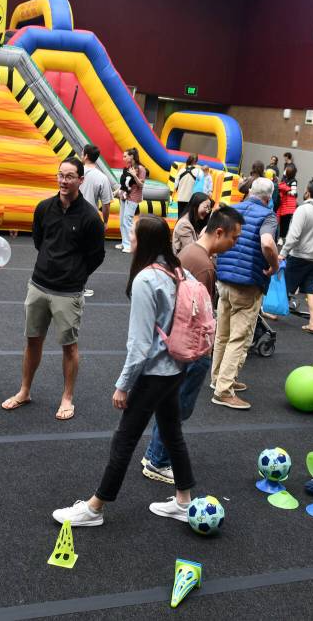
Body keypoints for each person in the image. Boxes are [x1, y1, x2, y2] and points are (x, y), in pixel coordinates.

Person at [51, 215, 197, 526]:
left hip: (156, 372)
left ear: (143, 241)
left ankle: (94, 508)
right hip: (178, 366)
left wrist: (123, 385)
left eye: (132, 234)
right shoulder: (178, 270)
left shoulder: (146, 279)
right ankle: (184, 501)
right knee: (172, 432)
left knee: (125, 438)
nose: (128, 238)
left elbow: (140, 345)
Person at [142, 206, 244, 484]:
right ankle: (157, 461)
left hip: (175, 343)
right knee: (178, 408)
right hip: (189, 348)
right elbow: (197, 315)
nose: (234, 244)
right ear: (219, 232)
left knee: (168, 404)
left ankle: (154, 453)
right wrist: (202, 354)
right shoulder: (205, 267)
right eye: (234, 238)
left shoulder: (188, 253)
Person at [2, 157, 106, 420]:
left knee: (69, 346)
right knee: (32, 340)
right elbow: (39, 240)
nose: (63, 180)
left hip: (68, 292)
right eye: (61, 175)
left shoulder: (90, 217)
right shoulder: (44, 208)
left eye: (70, 176)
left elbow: (97, 255)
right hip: (38, 285)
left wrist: (76, 275)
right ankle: (24, 391)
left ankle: (67, 397)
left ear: (81, 180)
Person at [210, 177, 279, 410]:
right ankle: (224, 390)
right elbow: (268, 243)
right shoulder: (268, 216)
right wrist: (275, 265)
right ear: (268, 197)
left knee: (222, 333)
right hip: (248, 283)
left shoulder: (231, 210)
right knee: (239, 338)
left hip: (224, 278)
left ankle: (217, 378)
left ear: (249, 191)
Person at [280, 179, 313, 333]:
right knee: (311, 290)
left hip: (299, 255)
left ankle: (273, 312)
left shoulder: (303, 210)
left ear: (308, 192)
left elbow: (293, 236)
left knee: (285, 286)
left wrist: (283, 253)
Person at [116, 147, 146, 254]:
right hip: (124, 196)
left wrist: (135, 176)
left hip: (133, 198)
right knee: (122, 221)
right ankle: (125, 242)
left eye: (125, 156)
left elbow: (141, 184)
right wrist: (117, 191)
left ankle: (129, 244)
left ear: (132, 156)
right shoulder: (127, 168)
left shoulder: (141, 169)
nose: (123, 158)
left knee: (127, 220)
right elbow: (124, 184)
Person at [79, 144, 113, 226]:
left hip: (73, 215)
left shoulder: (75, 171)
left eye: (82, 153)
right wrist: (105, 222)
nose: (81, 155)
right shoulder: (103, 178)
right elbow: (106, 204)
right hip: (90, 218)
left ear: (86, 156)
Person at [276, 163, 299, 243]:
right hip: (282, 203)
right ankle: (280, 237)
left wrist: (286, 190)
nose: (284, 171)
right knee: (279, 220)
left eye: (286, 170)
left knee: (285, 222)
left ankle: (282, 237)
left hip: (288, 206)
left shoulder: (293, 181)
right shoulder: (284, 179)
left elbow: (294, 193)